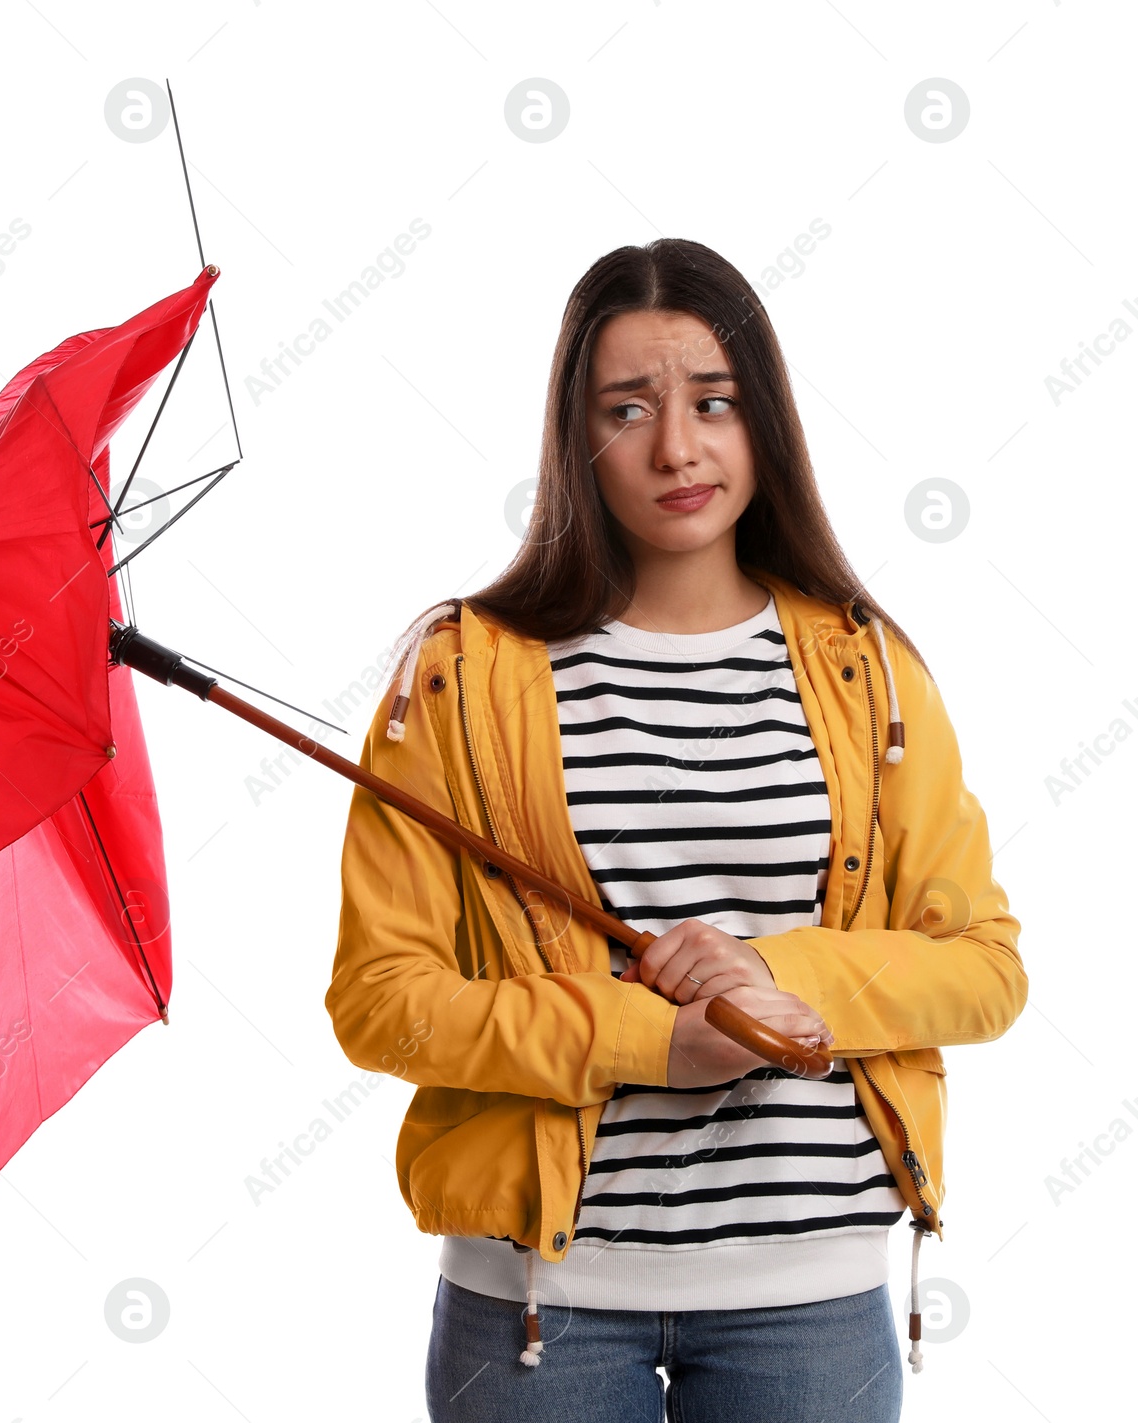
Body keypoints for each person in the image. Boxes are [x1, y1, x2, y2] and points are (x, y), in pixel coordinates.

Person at [324, 238, 1026, 1423]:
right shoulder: (456, 676)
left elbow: (985, 971)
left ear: (766, 422)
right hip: (538, 1302)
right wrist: (648, 1040)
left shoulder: (872, 673)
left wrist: (773, 976)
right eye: (627, 408)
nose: (676, 448)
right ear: (573, 433)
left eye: (713, 402)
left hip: (808, 1295)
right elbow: (381, 999)